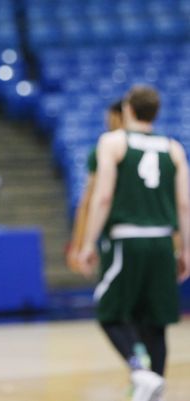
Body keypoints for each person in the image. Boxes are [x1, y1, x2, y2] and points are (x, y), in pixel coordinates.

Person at [77, 85, 190, 401]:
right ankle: (154, 385)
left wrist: (87, 244)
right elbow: (184, 205)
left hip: (127, 240)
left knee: (109, 313)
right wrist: (186, 250)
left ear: (127, 109)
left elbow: (103, 196)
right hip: (162, 242)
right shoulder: (174, 147)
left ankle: (140, 372)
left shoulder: (113, 142)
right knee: (156, 323)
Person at [66, 99, 124, 271]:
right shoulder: (163, 149)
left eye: (111, 118)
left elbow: (89, 201)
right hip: (157, 238)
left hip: (119, 236)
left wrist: (80, 245)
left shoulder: (102, 151)